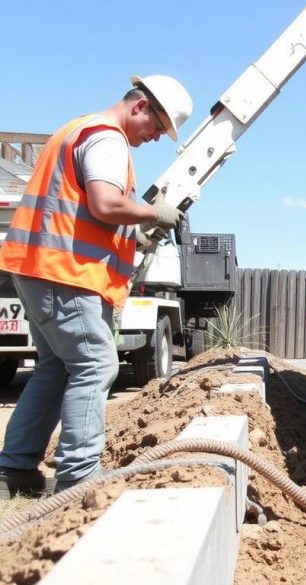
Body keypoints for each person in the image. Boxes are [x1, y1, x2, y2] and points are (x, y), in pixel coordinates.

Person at [0, 75, 193, 497]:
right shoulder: (107, 139)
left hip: (40, 267)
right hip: (65, 272)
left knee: (54, 368)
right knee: (95, 365)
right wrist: (151, 212)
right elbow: (105, 204)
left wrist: (134, 237)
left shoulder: (78, 129)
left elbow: (83, 212)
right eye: (158, 127)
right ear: (140, 106)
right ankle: (77, 479)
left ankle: (14, 470)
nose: (156, 138)